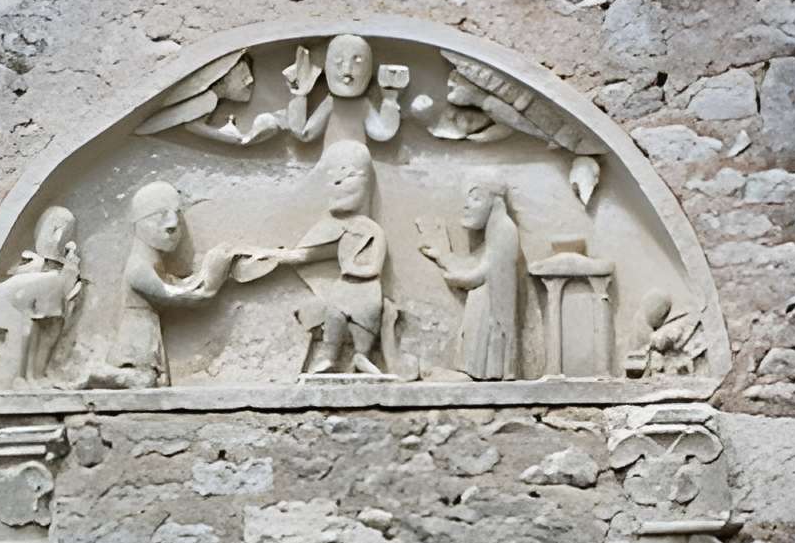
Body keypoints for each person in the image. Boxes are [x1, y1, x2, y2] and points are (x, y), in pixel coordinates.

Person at [258, 140, 393, 374]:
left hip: (367, 291)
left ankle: (362, 356)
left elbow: (374, 268)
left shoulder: (373, 230)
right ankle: (329, 357)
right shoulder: (336, 229)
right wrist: (273, 255)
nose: (338, 183)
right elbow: (307, 255)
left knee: (366, 319)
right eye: (333, 177)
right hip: (343, 288)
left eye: (349, 175)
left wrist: (353, 269)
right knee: (334, 314)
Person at [98, 180, 234, 387]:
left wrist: (208, 269)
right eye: (160, 215)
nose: (172, 225)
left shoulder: (152, 264)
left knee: (153, 383)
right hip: (136, 345)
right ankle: (93, 376)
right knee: (143, 381)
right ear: (139, 222)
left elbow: (176, 284)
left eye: (176, 216)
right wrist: (213, 275)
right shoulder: (138, 268)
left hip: (150, 340)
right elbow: (182, 296)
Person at [419, 180, 523, 381]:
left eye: (476, 198)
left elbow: (486, 271)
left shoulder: (505, 230)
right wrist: (442, 256)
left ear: (495, 202)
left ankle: (488, 373)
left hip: (492, 305)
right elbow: (475, 263)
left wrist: (461, 279)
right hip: (484, 300)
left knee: (483, 343)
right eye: (467, 198)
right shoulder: (496, 231)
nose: (466, 205)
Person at [0, 205, 81, 383]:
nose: (62, 237)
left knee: (49, 320)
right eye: (60, 229)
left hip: (10, 309)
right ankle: (33, 375)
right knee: (51, 322)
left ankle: (31, 374)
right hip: (7, 315)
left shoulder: (43, 266)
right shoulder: (42, 269)